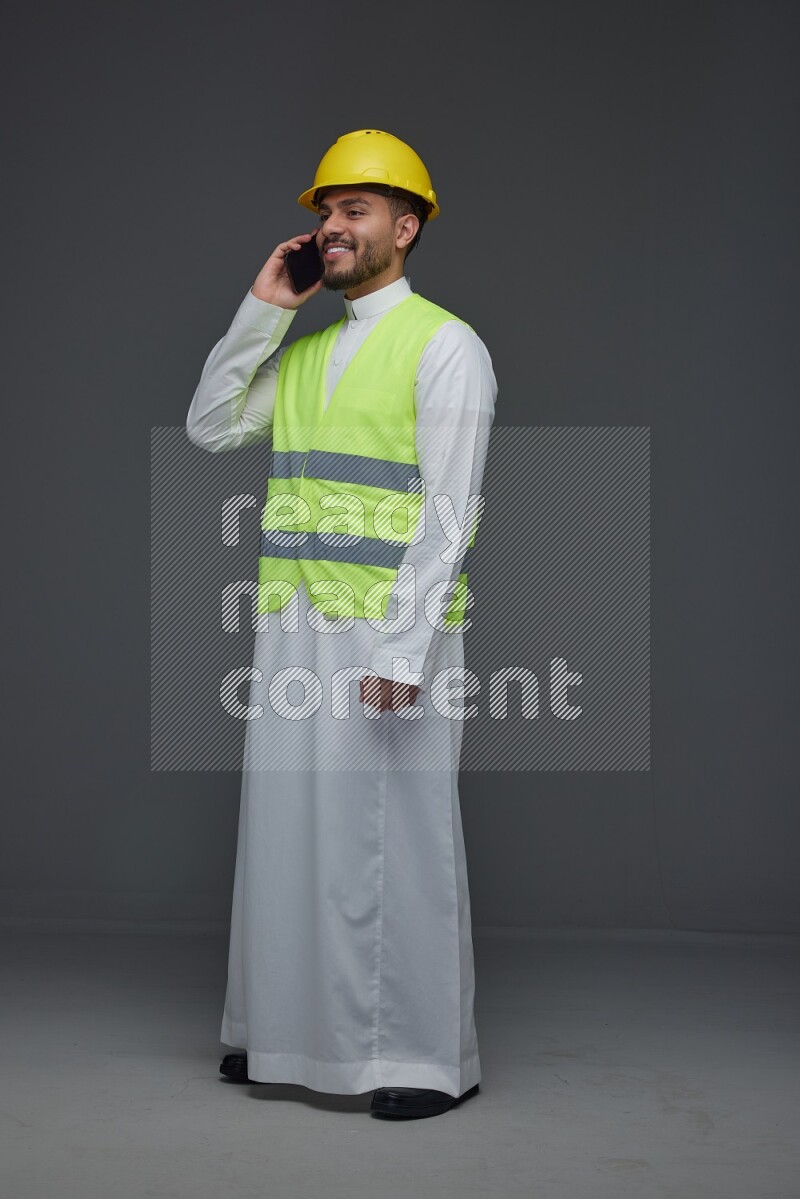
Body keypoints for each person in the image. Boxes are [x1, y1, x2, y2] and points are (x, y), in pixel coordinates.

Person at [186, 129, 497, 1120]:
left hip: (386, 636)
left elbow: (447, 509)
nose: (329, 226)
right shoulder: (311, 348)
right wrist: (262, 308)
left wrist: (403, 650)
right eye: (325, 212)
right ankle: (273, 1033)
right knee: (286, 833)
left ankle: (421, 1056)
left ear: (405, 228)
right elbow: (210, 422)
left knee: (393, 840)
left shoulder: (445, 345)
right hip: (293, 626)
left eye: (353, 211)